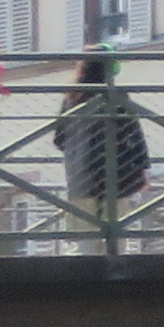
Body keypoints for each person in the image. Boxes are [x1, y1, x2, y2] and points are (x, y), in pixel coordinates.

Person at [54, 50, 152, 213]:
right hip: (117, 179)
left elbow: (59, 139)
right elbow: (134, 134)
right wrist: (142, 168)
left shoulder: (71, 98)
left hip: (80, 181)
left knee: (84, 226)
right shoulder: (117, 96)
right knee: (116, 225)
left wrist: (77, 152)